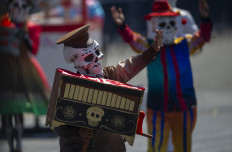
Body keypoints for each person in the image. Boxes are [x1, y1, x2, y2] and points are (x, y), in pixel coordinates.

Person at [111, 0, 212, 152]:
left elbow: (203, 37)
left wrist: (205, 19)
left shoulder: (185, 43)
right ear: (154, 25)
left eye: (170, 22)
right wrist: (122, 26)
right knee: (157, 147)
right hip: (158, 107)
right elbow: (132, 38)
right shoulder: (149, 47)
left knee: (183, 147)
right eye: (162, 23)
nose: (167, 28)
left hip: (184, 105)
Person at [53, 24, 162, 152]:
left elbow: (129, 67)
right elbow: (57, 123)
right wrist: (78, 131)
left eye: (97, 53)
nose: (97, 60)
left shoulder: (109, 75)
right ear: (77, 61)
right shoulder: (67, 86)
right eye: (89, 57)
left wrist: (152, 51)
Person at [0, 0, 50, 152]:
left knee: (18, 107)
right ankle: (10, 145)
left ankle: (19, 145)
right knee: (6, 109)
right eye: (15, 5)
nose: (19, 10)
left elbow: (34, 50)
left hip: (23, 69)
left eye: (23, 6)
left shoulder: (31, 27)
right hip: (5, 70)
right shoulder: (3, 24)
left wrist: (24, 36)